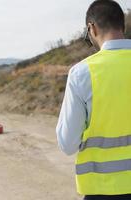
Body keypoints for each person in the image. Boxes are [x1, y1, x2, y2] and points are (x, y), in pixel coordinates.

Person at [56, 1, 131, 199]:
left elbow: (67, 143)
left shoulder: (82, 73)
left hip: (102, 189)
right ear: (122, 25)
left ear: (92, 28)